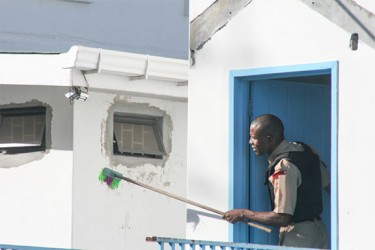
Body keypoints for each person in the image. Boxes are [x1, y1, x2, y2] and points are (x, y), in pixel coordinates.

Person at [223, 114, 329, 248]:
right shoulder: (307, 150)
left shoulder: (284, 167)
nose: (250, 142)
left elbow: (282, 218)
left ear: (268, 139)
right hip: (319, 233)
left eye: (254, 138)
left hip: (299, 239)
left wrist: (242, 213)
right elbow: (329, 186)